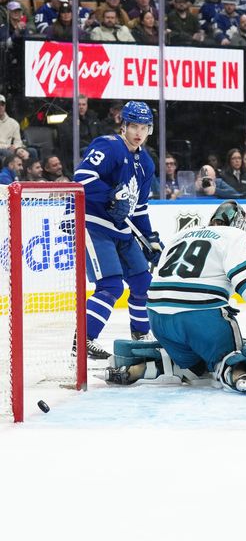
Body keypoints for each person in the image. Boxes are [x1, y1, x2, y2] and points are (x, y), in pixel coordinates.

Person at [104, 201, 246, 394]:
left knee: (195, 368)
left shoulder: (180, 235)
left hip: (158, 318)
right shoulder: (235, 235)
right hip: (200, 315)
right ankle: (238, 375)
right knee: (227, 353)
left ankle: (140, 369)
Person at [72, 101, 162, 360]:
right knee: (111, 285)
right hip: (95, 224)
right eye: (133, 125)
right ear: (123, 125)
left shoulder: (146, 162)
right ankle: (84, 340)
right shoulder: (108, 145)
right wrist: (110, 195)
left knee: (143, 283)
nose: (138, 132)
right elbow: (82, 178)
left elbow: (140, 207)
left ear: (150, 130)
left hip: (123, 230)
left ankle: (141, 336)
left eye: (144, 127)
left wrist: (150, 239)